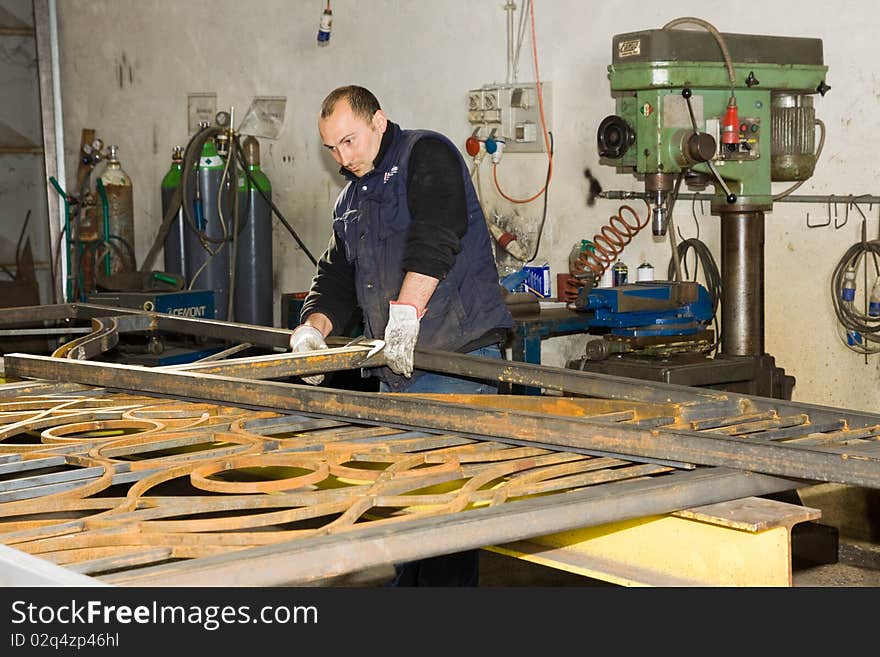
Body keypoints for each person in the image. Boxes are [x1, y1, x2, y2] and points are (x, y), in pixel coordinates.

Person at [289, 85, 514, 586]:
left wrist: (406, 313)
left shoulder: (426, 154)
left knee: (446, 521)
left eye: (350, 141)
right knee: (412, 512)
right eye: (333, 149)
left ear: (379, 122)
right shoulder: (351, 199)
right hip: (400, 372)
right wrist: (312, 329)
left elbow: (438, 232)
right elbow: (336, 277)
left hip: (457, 366)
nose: (344, 158)